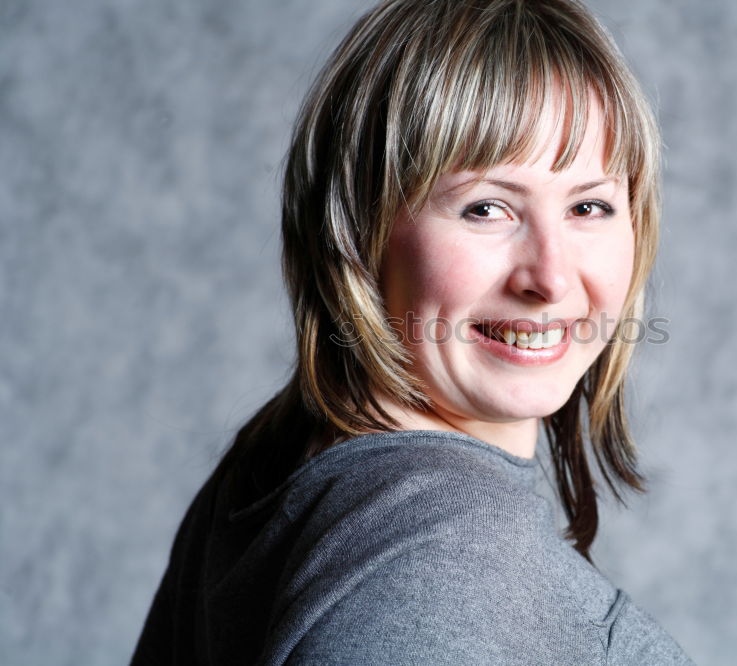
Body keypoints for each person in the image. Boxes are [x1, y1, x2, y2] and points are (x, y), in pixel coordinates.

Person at [130, 0, 695, 663]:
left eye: (589, 206)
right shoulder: (444, 550)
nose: (551, 277)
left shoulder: (282, 462)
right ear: (358, 230)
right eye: (486, 208)